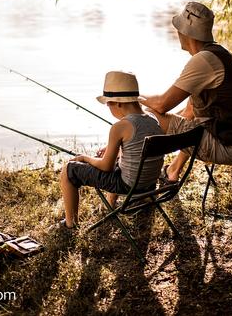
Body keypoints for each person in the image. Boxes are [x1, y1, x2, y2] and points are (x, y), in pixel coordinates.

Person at [140, 2, 232, 183]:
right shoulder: (219, 54)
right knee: (190, 117)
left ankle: (138, 183)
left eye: (178, 29)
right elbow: (189, 113)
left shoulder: (203, 61)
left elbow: (162, 104)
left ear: (185, 33)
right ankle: (173, 170)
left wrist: (131, 97)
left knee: (145, 118)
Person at [57, 71, 164, 229]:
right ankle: (110, 205)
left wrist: (85, 158)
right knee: (115, 161)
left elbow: (106, 166)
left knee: (69, 169)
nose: (108, 108)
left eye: (108, 104)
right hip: (149, 184)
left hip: (128, 185)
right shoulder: (153, 120)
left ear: (118, 103)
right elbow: (135, 150)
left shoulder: (120, 127)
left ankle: (70, 224)